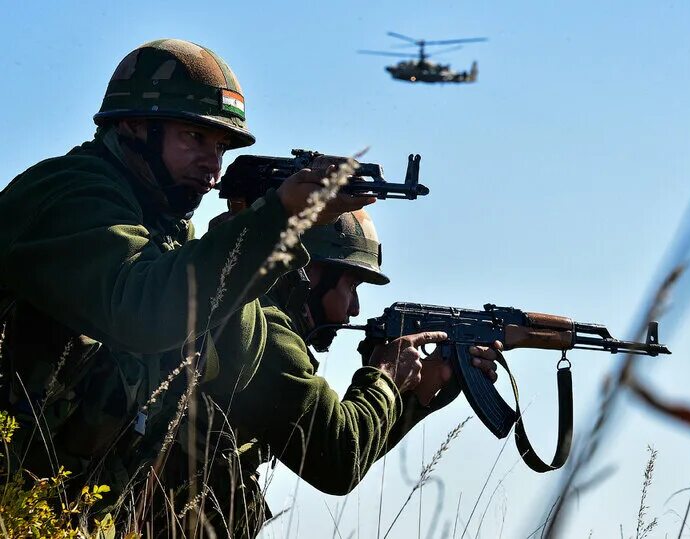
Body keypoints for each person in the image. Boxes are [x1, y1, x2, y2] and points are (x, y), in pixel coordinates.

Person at [0, 38, 372, 508]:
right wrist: (276, 220)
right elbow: (145, 311)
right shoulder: (68, 194)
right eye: (193, 137)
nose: (212, 164)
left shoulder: (167, 228)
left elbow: (240, 367)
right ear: (135, 126)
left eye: (220, 147)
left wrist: (250, 228)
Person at [157, 210, 500, 535]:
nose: (354, 310)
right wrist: (383, 378)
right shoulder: (265, 332)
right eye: (351, 287)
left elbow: (343, 445)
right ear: (311, 275)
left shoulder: (253, 316)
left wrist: (415, 392)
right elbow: (336, 459)